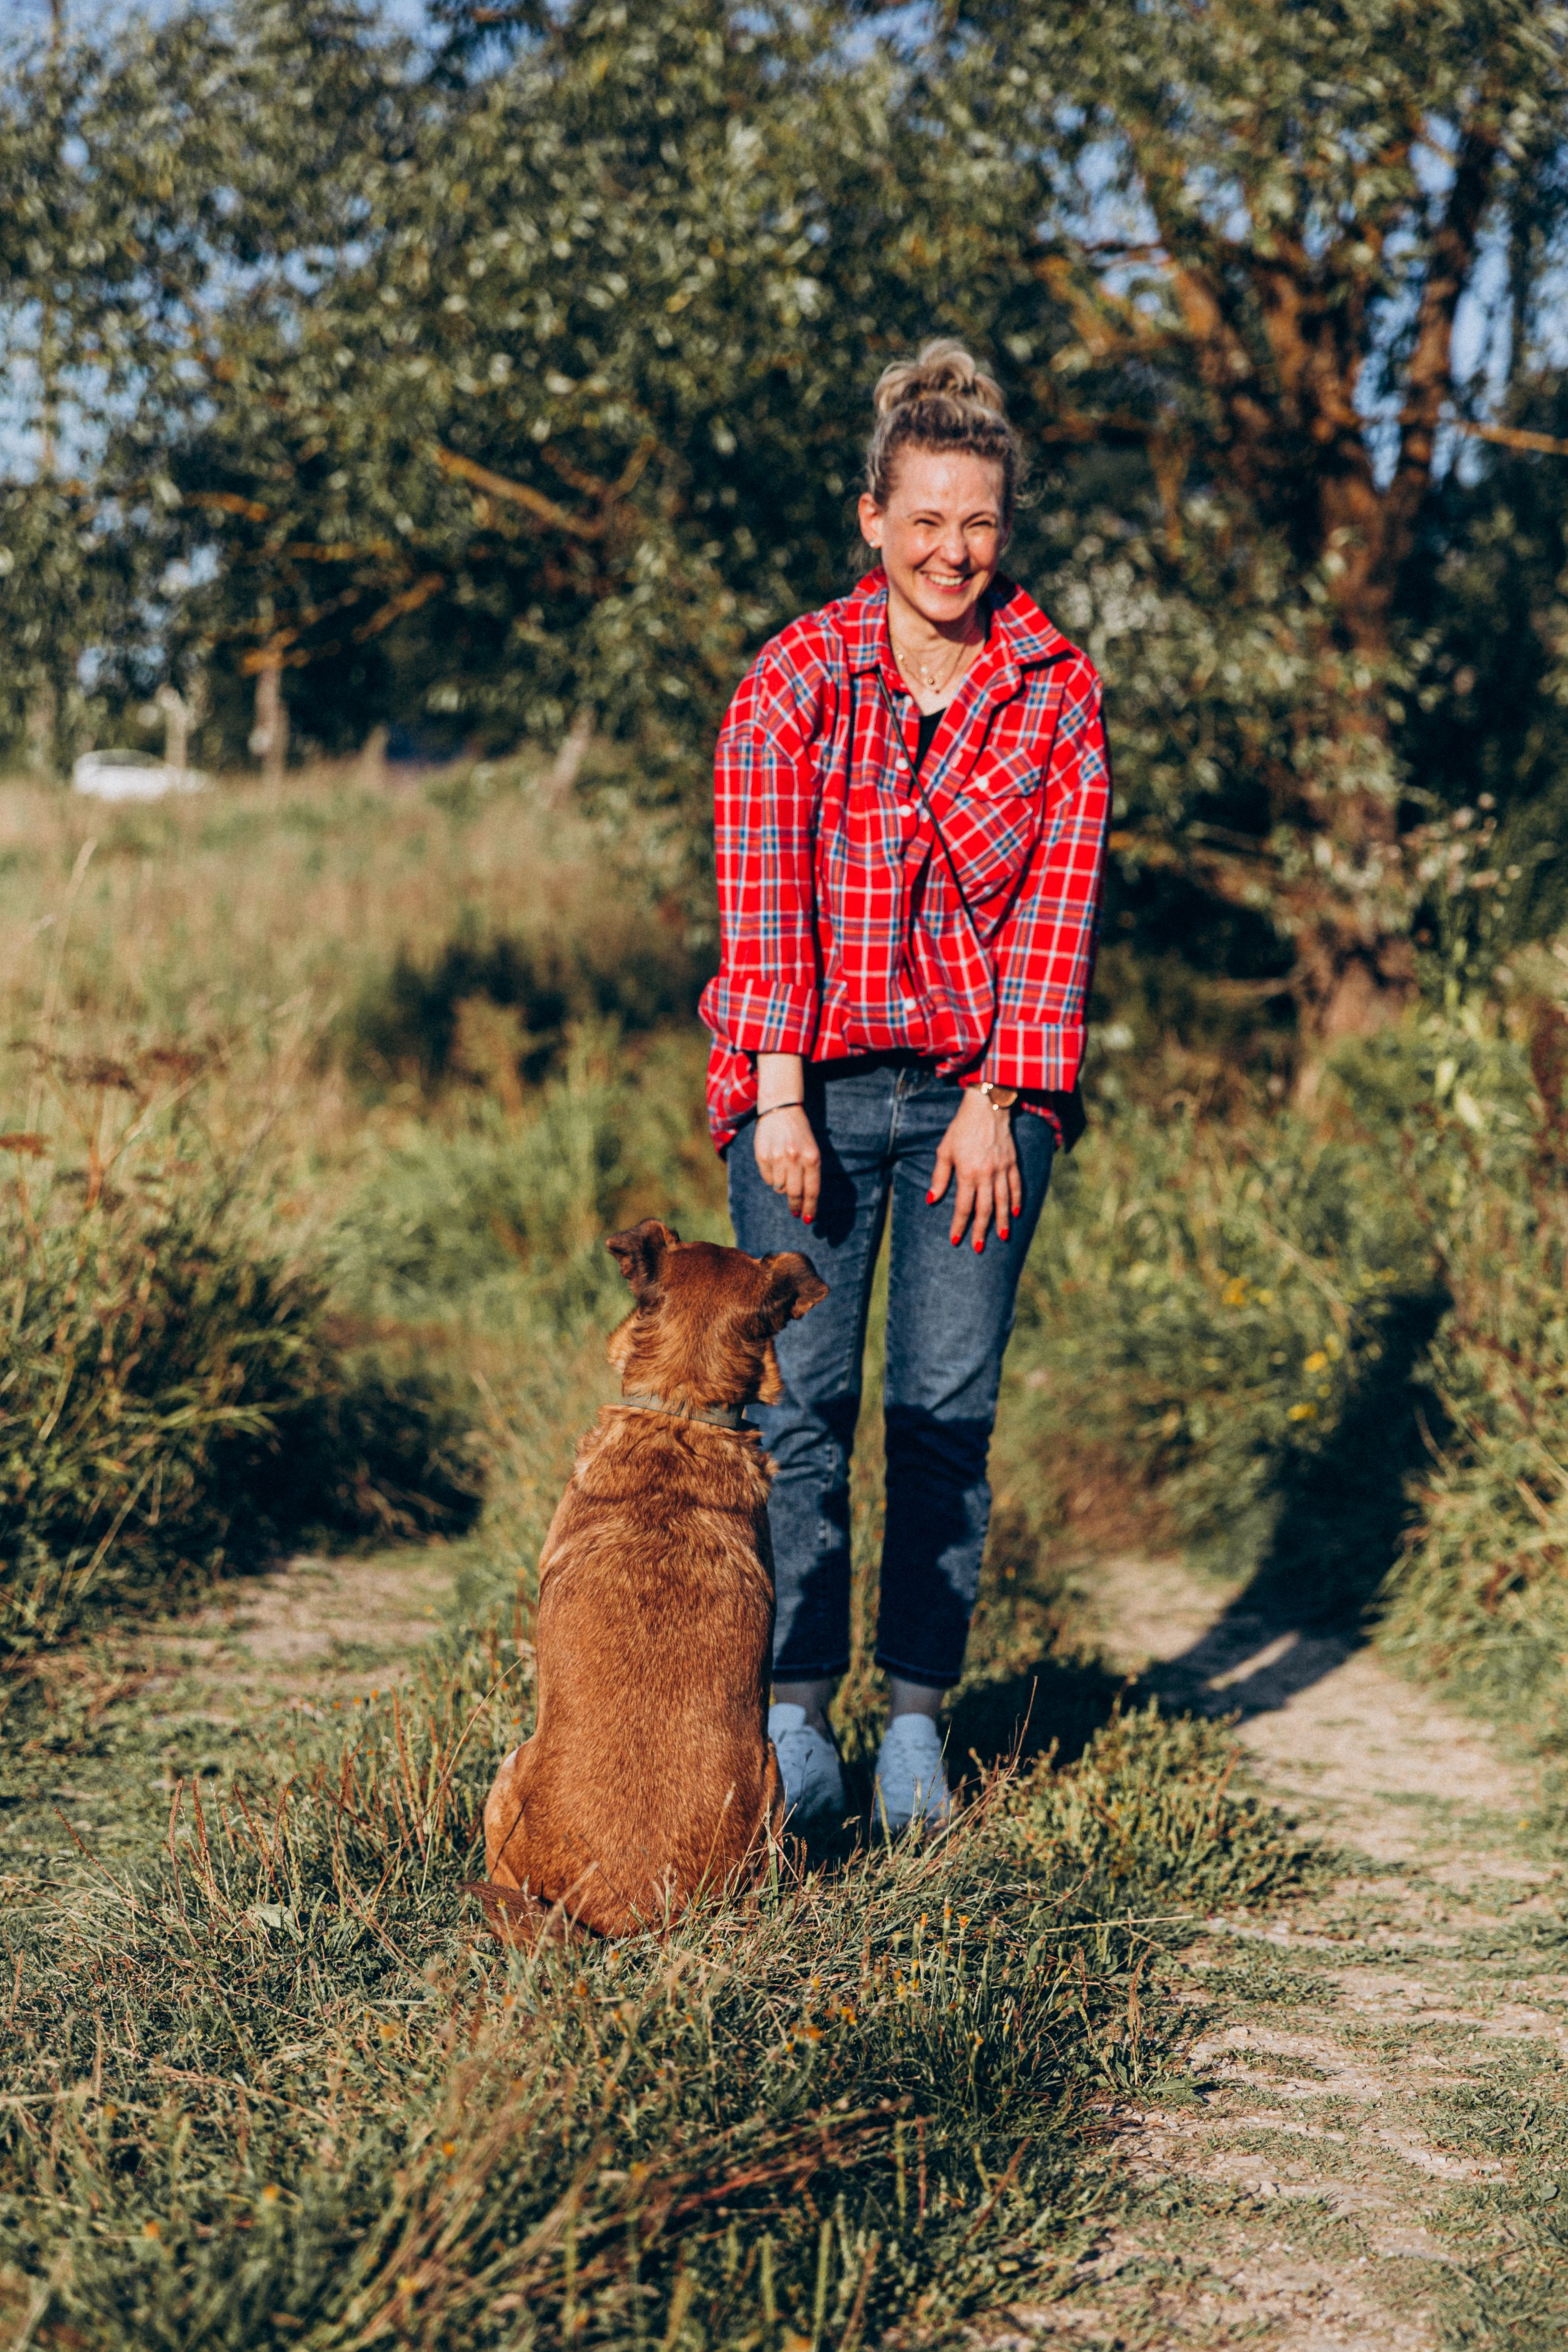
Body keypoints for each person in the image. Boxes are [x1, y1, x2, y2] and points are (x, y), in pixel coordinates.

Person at [699, 339, 1110, 1831]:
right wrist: (782, 1102)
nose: (952, 550)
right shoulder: (793, 682)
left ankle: (918, 1724)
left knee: (943, 1413)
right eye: (925, 519)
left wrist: (1008, 1101)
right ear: (871, 518)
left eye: (979, 524)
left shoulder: (1053, 692)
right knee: (797, 1411)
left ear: (1003, 529)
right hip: (804, 1091)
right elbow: (764, 909)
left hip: (977, 1107)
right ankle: (797, 1718)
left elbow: (1053, 927)